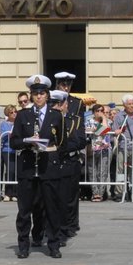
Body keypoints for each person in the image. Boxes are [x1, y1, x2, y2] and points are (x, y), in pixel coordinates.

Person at [11, 75, 62, 257]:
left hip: (48, 166)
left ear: (47, 95)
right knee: (25, 209)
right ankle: (23, 245)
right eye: (35, 93)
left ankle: (53, 244)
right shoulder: (23, 115)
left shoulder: (55, 115)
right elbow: (14, 141)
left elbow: (61, 140)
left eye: (42, 93)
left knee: (51, 208)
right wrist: (27, 142)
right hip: (28, 166)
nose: (38, 97)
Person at [52, 72, 87, 233]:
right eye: (62, 84)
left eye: (68, 84)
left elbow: (78, 127)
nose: (65, 87)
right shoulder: (51, 100)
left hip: (70, 149)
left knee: (72, 194)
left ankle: (72, 223)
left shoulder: (77, 103)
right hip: (54, 154)